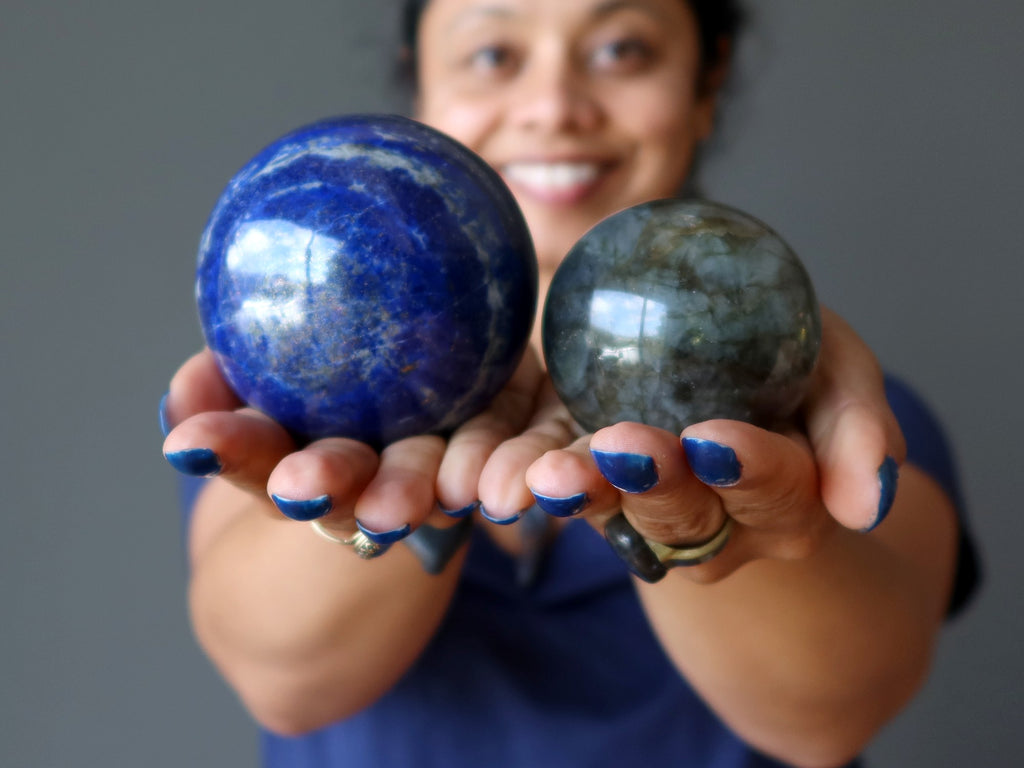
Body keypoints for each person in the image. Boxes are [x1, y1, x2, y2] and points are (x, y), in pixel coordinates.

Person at [160, 1, 979, 766]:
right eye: (493, 53)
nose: (553, 105)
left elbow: (826, 718)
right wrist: (411, 479)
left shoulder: (834, 419)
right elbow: (287, 685)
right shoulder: (287, 404)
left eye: (621, 50)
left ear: (706, 83)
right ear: (421, 81)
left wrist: (697, 512)